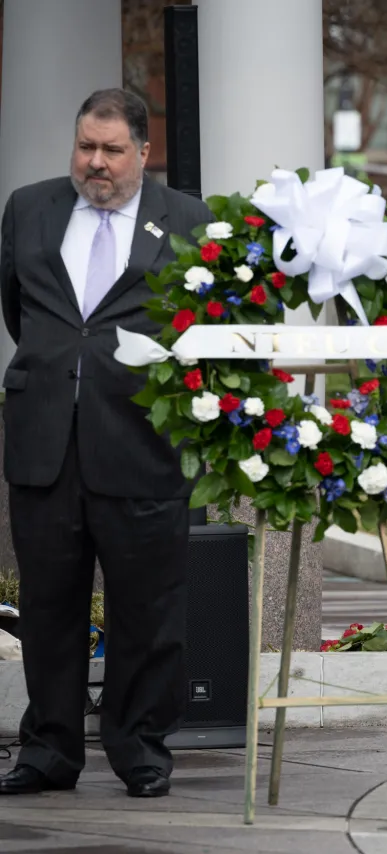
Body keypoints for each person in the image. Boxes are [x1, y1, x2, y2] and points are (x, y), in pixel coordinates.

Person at [0, 89, 212, 797]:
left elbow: (208, 327)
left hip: (144, 443)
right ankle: (50, 749)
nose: (94, 163)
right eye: (85, 146)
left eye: (111, 150)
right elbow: (19, 309)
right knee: (49, 607)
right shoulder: (29, 208)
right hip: (45, 445)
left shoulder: (188, 221)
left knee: (147, 610)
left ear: (144, 153)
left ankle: (139, 745)